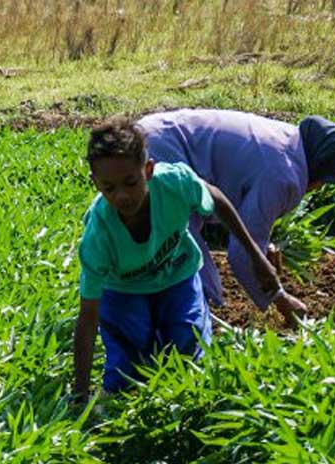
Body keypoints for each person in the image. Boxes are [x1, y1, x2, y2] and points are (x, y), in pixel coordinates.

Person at [70, 119, 306, 400]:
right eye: (109, 188)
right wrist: (80, 392)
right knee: (127, 372)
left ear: (148, 170)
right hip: (124, 290)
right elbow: (87, 318)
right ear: (95, 183)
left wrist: (255, 255)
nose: (122, 196)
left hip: (177, 276)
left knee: (188, 348)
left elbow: (216, 198)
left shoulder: (174, 183)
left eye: (131, 182)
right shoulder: (98, 235)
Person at [137, 109, 335, 316]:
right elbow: (242, 253)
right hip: (161, 149)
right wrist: (280, 299)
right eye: (325, 182)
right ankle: (190, 332)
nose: (319, 188)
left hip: (156, 132)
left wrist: (262, 247)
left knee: (179, 253)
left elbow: (241, 216)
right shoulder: (283, 176)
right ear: (319, 168)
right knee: (189, 264)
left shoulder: (288, 141)